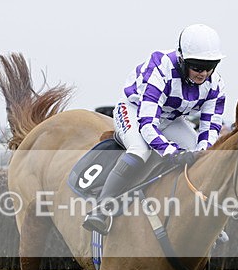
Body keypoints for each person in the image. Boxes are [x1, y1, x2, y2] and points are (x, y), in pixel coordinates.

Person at [83, 23, 227, 234]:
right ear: (182, 59)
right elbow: (148, 123)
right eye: (197, 66)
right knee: (140, 151)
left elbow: (210, 127)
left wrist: (201, 152)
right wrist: (172, 153)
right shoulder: (161, 68)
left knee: (201, 159)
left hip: (170, 119)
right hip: (135, 110)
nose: (203, 73)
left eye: (210, 66)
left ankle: (203, 216)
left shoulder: (216, 85)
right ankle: (102, 209)